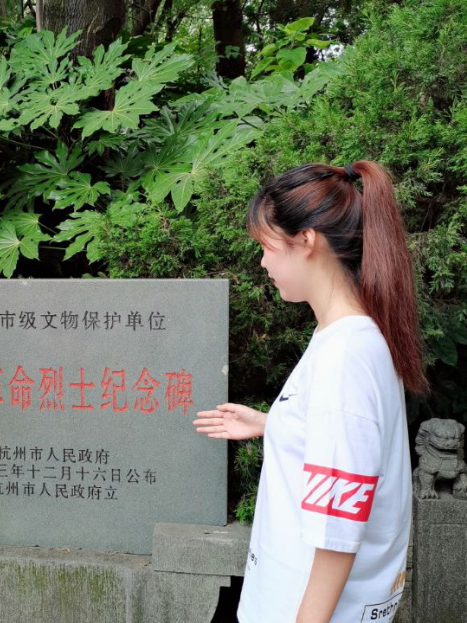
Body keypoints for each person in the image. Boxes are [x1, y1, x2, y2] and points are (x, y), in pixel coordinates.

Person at [193, 161, 428, 623]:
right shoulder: (352, 336)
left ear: (306, 240)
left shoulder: (344, 356)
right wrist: (274, 423)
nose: (262, 262)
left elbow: (338, 527)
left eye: (266, 246)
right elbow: (345, 446)